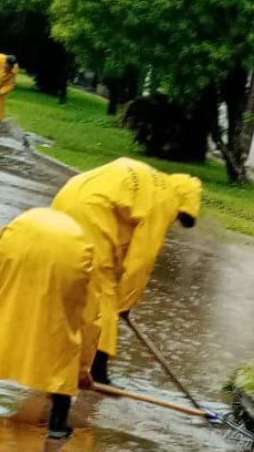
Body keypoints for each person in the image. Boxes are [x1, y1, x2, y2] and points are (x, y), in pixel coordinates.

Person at [0, 208, 100, 439]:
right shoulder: (85, 244)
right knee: (63, 334)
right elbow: (88, 318)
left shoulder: (22, 224)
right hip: (72, 258)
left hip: (17, 243)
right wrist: (82, 369)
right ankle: (57, 423)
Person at [51, 157, 202, 385]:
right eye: (181, 216)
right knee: (105, 297)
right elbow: (142, 259)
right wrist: (125, 304)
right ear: (182, 203)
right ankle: (96, 369)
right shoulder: (165, 200)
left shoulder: (152, 183)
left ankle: (57, 352)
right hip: (91, 212)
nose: (176, 220)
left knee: (72, 282)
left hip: (67, 198)